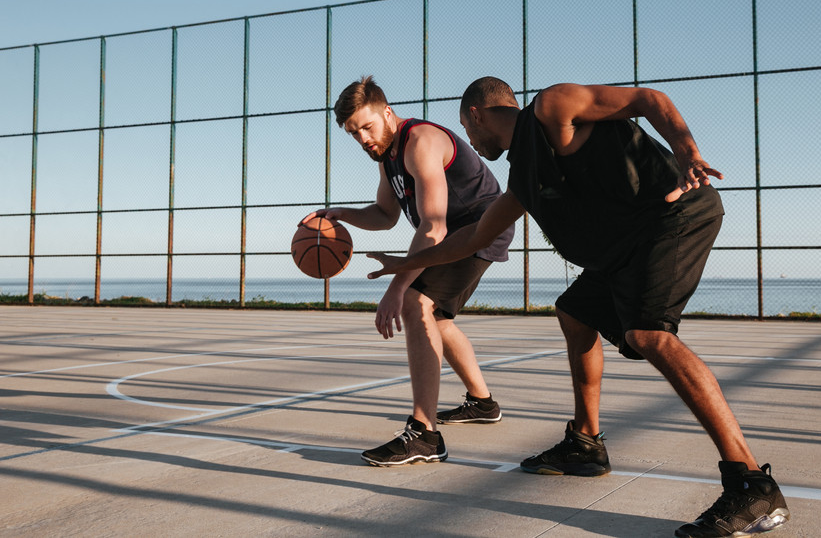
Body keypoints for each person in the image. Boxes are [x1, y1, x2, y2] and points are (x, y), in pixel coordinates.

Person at [366, 77, 790, 537]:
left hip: (674, 216)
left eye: (467, 131)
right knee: (575, 312)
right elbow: (474, 237)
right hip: (626, 243)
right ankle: (586, 444)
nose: (469, 141)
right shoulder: (525, 175)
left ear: (476, 114)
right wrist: (406, 264)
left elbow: (650, 100)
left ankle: (751, 484)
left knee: (649, 335)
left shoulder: (553, 107)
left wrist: (686, 151)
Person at [301, 76, 515, 467]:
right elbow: (385, 215)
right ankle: (482, 403)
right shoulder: (388, 156)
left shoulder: (420, 143)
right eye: (354, 133)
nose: (363, 138)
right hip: (456, 233)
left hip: (480, 227)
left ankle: (424, 434)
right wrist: (338, 214)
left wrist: (397, 288)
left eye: (367, 126)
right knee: (438, 319)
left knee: (417, 303)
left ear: (387, 113)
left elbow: (433, 227)